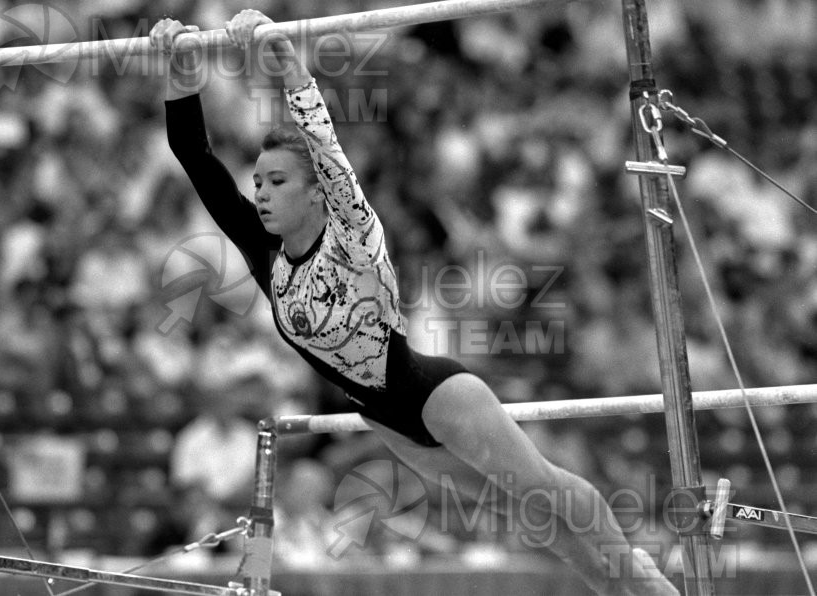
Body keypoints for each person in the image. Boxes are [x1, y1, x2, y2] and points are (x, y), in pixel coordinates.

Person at [150, 11, 678, 595]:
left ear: (315, 193)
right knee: (530, 516)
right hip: (392, 426)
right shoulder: (266, 255)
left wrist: (292, 70)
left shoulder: (353, 235)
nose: (262, 194)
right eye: (258, 183)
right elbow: (194, 156)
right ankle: (613, 588)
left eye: (277, 181)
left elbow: (327, 149)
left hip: (437, 397)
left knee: (543, 489)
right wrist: (181, 70)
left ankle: (641, 579)